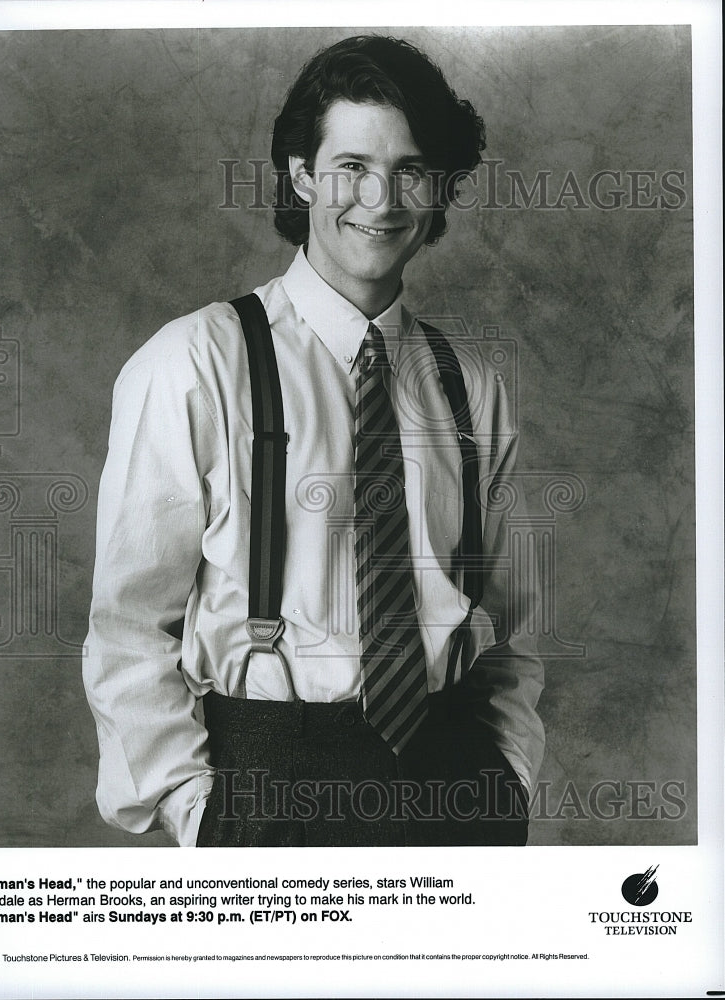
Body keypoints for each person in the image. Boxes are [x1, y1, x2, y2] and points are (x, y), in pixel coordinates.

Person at [83, 34, 544, 848]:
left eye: (410, 168)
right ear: (301, 175)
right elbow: (128, 625)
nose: (382, 196)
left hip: (454, 781)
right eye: (352, 166)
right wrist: (198, 811)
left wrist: (506, 776)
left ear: (436, 187)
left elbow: (506, 624)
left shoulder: (470, 384)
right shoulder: (195, 362)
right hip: (271, 786)